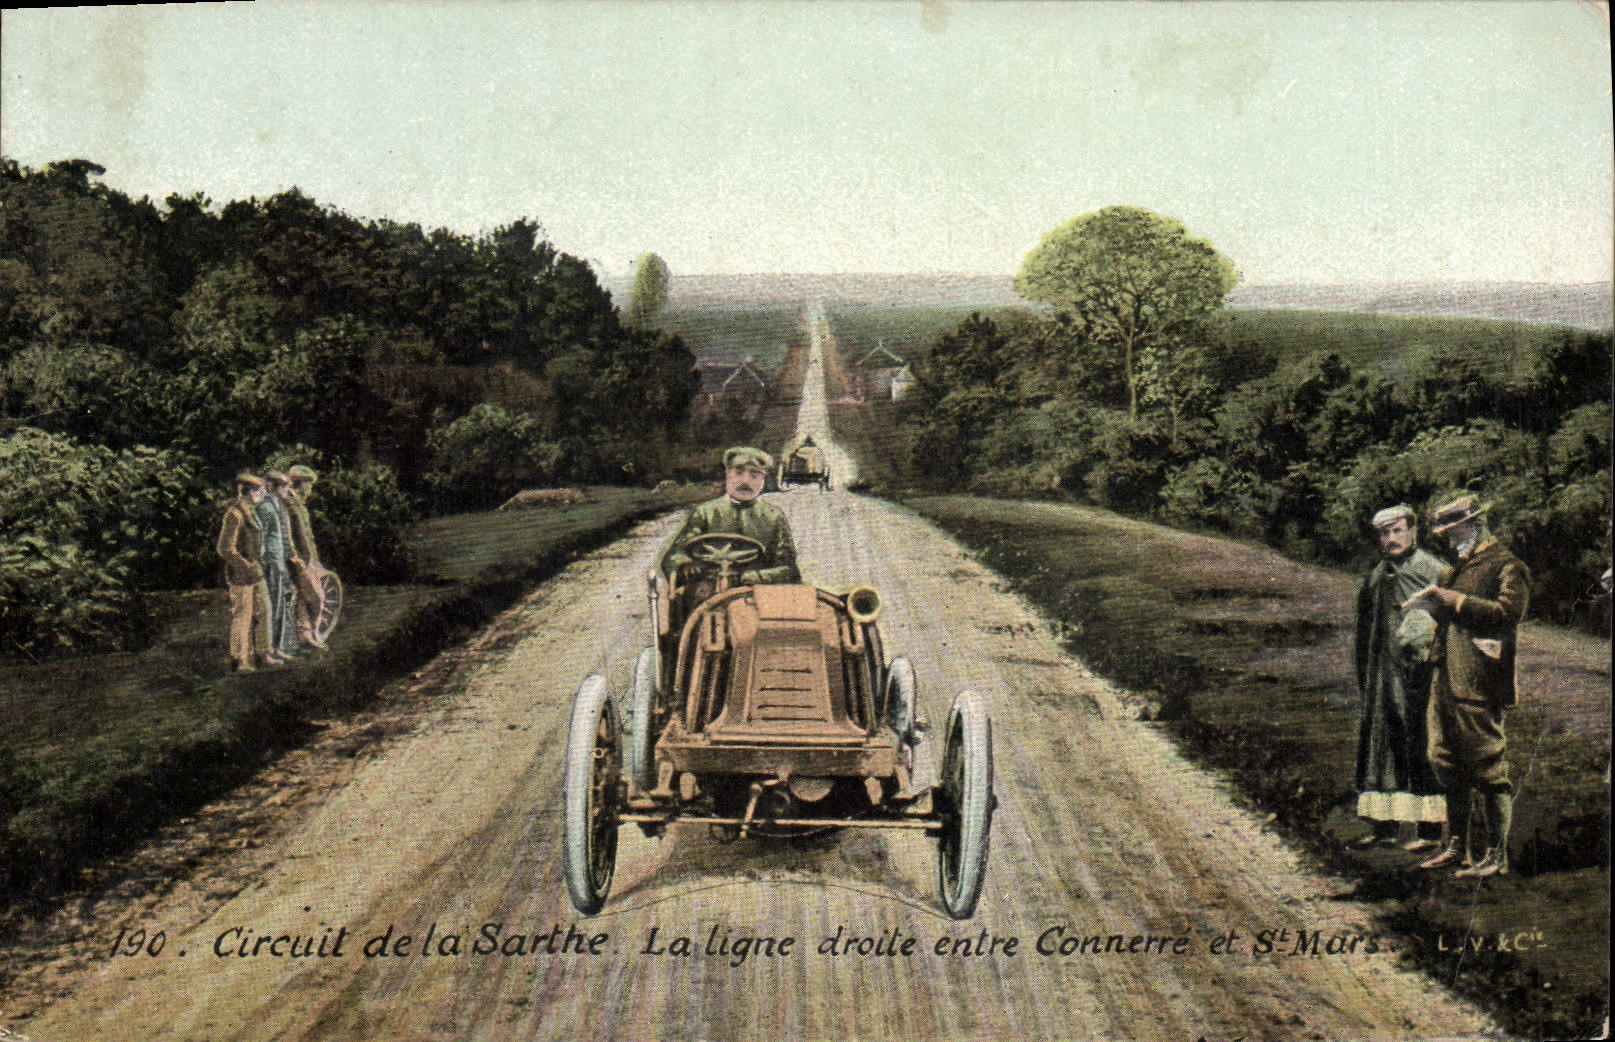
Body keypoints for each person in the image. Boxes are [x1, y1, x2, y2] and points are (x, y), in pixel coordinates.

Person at [1413, 495, 1531, 879]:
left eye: (1452, 531)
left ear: (1473, 525)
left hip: (1479, 679)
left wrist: (1455, 599)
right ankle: (1458, 848)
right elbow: (1446, 620)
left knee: (1488, 766)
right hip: (1445, 676)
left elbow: (1506, 615)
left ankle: (1497, 856)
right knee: (1444, 761)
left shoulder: (1507, 565)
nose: (1447, 539)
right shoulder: (1451, 570)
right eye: (1444, 532)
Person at [1351, 505, 1445, 851]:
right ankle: (1383, 828)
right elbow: (1364, 629)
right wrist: (1366, 674)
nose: (1390, 539)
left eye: (1397, 531)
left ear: (1412, 531)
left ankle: (1429, 832)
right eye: (1384, 533)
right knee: (1381, 744)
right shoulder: (1377, 574)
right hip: (1381, 676)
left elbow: (1451, 620)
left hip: (1418, 676)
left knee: (1420, 743)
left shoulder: (1433, 570)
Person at [660, 446, 800, 587]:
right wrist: (686, 564)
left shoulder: (773, 516)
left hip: (758, 591)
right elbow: (674, 557)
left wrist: (757, 576)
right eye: (738, 474)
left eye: (754, 476)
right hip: (709, 588)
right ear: (727, 475)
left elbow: (789, 570)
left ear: (763, 481)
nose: (746, 482)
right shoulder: (704, 513)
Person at [216, 473, 273, 672]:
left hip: (257, 571)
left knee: (264, 610)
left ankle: (264, 653)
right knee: (243, 615)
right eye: (261, 491)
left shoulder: (252, 511)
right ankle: (241, 660)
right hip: (241, 575)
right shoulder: (235, 514)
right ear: (249, 491)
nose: (263, 495)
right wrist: (245, 565)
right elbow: (225, 548)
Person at [255, 471, 297, 663]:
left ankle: (278, 647)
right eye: (284, 487)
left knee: (280, 605)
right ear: (274, 487)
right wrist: (263, 561)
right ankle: (269, 649)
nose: (287, 490)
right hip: (271, 562)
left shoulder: (277, 505)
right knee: (272, 606)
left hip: (279, 562)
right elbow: (261, 537)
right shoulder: (265, 506)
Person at [284, 464, 327, 649]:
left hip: (306, 560)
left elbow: (306, 536)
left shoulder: (298, 504)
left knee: (303, 599)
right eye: (309, 483)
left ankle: (307, 636)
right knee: (316, 597)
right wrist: (296, 560)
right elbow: (288, 536)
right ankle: (308, 635)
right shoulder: (289, 504)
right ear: (301, 483)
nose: (310, 488)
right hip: (296, 560)